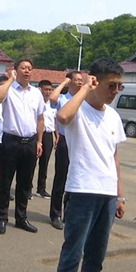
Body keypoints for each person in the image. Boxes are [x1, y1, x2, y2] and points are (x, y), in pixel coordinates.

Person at [53, 57, 126, 272]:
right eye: (111, 85)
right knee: (72, 254)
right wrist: (84, 87)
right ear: (96, 82)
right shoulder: (78, 108)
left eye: (119, 86)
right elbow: (62, 118)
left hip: (107, 194)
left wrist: (120, 195)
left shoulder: (113, 116)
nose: (115, 91)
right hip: (82, 191)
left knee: (96, 256)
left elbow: (113, 157)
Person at [0, 59, 44, 235]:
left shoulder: (36, 93)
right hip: (10, 141)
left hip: (29, 142)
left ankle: (21, 218)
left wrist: (39, 141)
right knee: (5, 182)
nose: (27, 71)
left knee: (25, 183)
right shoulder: (8, 89)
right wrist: (10, 80)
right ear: (16, 70)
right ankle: (2, 218)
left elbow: (40, 118)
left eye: (30, 68)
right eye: (23, 68)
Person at [48, 71, 81, 230]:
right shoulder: (62, 98)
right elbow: (52, 99)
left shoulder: (83, 99)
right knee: (60, 179)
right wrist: (63, 83)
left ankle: (69, 213)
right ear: (70, 82)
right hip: (64, 141)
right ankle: (55, 214)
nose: (80, 82)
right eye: (76, 80)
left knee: (74, 179)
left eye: (82, 80)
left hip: (80, 143)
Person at [33, 79, 57, 199]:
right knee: (32, 163)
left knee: (45, 163)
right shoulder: (36, 102)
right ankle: (27, 188)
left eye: (50, 90)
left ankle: (41, 189)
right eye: (46, 89)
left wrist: (56, 136)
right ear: (40, 89)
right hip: (36, 134)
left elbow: (55, 121)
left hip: (48, 135)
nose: (48, 92)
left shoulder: (52, 105)